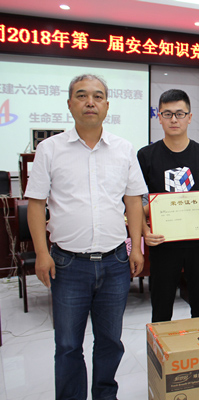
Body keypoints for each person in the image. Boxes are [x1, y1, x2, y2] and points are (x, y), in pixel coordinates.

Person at [25, 74, 147, 400]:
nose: (90, 102)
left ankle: (105, 395)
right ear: (70, 104)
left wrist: (136, 247)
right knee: (67, 344)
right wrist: (41, 253)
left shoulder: (123, 149)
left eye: (97, 96)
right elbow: (35, 204)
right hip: (68, 264)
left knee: (110, 341)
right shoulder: (49, 149)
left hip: (115, 261)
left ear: (107, 105)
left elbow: (133, 201)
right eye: (81, 96)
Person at [137, 89, 199, 322]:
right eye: (167, 114)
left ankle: (197, 344)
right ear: (159, 117)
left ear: (190, 117)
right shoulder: (145, 156)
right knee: (161, 310)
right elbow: (137, 203)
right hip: (163, 242)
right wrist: (145, 230)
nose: (173, 119)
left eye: (179, 113)